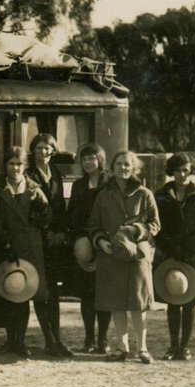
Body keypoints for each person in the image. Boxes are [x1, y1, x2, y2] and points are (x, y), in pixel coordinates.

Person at [88, 150, 161, 363]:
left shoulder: (144, 193)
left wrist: (137, 231)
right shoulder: (103, 194)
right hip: (112, 255)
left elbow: (155, 224)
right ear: (112, 168)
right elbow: (94, 224)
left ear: (135, 168)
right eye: (119, 164)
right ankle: (122, 347)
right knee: (117, 303)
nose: (123, 168)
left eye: (128, 164)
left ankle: (143, 348)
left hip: (137, 254)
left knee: (138, 304)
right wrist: (101, 241)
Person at [0, 147, 52, 357]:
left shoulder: (34, 188)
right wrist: (4, 242)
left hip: (31, 247)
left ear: (25, 166)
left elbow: (46, 216)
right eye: (11, 163)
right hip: (7, 246)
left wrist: (38, 214)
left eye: (19, 164)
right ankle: (12, 340)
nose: (15, 168)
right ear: (5, 166)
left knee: (31, 291)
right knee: (12, 292)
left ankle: (26, 340)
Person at [154, 153, 195, 361]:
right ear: (172, 171)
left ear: (192, 171)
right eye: (178, 170)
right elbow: (156, 226)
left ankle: (184, 347)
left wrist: (189, 250)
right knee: (172, 297)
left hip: (192, 254)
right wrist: (171, 248)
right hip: (169, 253)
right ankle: (172, 346)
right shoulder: (160, 196)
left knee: (190, 300)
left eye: (186, 170)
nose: (181, 174)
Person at [25, 133, 72, 357]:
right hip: (37, 239)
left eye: (47, 148)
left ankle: (58, 339)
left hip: (55, 242)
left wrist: (61, 233)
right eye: (39, 148)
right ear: (33, 150)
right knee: (41, 290)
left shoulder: (56, 174)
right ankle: (48, 340)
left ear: (53, 151)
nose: (43, 152)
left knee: (53, 291)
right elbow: (29, 211)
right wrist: (46, 233)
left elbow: (60, 207)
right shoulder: (27, 174)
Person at [66, 143, 113, 354]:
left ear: (100, 160)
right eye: (84, 159)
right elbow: (73, 216)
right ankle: (89, 339)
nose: (88, 162)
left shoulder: (110, 183)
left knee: (104, 292)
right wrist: (80, 239)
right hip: (84, 242)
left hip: (105, 242)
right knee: (87, 294)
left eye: (91, 158)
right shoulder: (78, 186)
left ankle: (103, 339)